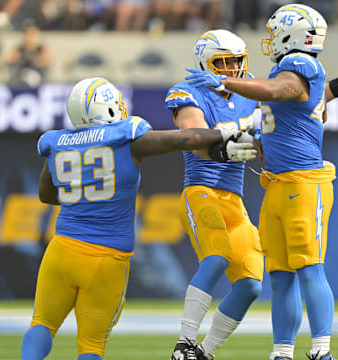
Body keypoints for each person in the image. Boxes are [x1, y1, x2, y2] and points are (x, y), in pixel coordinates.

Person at [20, 76, 257, 360]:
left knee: (42, 323)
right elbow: (183, 138)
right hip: (107, 257)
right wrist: (224, 135)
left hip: (61, 249)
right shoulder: (125, 136)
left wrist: (84, 194)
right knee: (91, 346)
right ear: (105, 108)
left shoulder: (56, 142)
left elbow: (47, 194)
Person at [185, 4, 337, 360]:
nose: (270, 40)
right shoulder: (297, 71)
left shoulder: (299, 66)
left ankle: (321, 351)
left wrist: (224, 80)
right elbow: (310, 100)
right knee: (281, 275)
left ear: (291, 33)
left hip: (304, 183)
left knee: (309, 267)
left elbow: (276, 91)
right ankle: (282, 352)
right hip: (277, 183)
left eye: (274, 32)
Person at [165, 29, 264, 360]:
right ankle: (184, 342)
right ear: (204, 62)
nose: (232, 69)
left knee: (251, 283)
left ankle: (204, 353)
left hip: (234, 200)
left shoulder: (252, 88)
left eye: (237, 61)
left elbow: (269, 140)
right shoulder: (188, 91)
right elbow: (194, 138)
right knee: (217, 257)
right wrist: (233, 145)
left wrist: (246, 144)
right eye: (222, 62)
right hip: (201, 189)